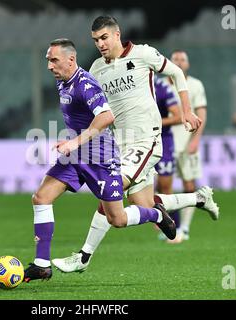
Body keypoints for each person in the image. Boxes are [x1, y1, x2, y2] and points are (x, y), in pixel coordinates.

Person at [52, 16, 219, 273]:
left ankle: (83, 257)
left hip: (147, 139)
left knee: (110, 191)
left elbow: (175, 72)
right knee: (144, 205)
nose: (100, 44)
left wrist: (186, 110)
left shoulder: (142, 54)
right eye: (96, 40)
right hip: (118, 145)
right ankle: (199, 198)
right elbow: (94, 110)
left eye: (104, 38)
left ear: (117, 34)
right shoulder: (96, 68)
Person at [23, 39, 176, 282]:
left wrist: (74, 142)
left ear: (70, 60)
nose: (50, 66)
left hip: (101, 160)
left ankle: (156, 215)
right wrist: (73, 146)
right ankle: (42, 265)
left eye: (54, 60)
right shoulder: (63, 82)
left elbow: (106, 116)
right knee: (41, 197)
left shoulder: (85, 84)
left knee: (117, 219)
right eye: (48, 61)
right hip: (76, 157)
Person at [167, 50, 208, 242]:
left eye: (183, 59)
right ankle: (170, 227)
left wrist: (196, 140)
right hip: (165, 144)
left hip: (186, 144)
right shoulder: (161, 86)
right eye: (175, 60)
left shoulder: (195, 85)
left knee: (189, 185)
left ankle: (185, 228)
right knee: (162, 186)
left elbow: (201, 113)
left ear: (188, 64)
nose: (179, 62)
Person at [152, 76, 184, 243]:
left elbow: (178, 116)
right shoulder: (131, 83)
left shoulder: (161, 87)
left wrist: (155, 123)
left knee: (165, 186)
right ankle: (159, 219)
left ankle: (176, 228)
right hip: (139, 142)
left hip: (163, 141)